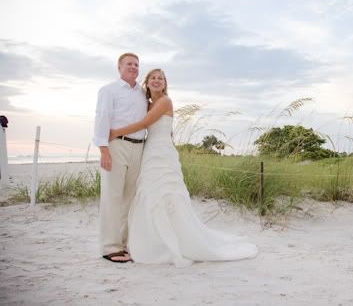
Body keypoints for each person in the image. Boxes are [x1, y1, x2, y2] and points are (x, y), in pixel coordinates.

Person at [109, 69, 258, 266]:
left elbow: (145, 123)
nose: (156, 81)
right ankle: (150, 240)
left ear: (164, 84)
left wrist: (115, 132)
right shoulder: (149, 103)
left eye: (160, 78)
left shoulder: (164, 101)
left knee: (166, 193)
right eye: (152, 78)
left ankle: (171, 241)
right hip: (150, 151)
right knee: (149, 193)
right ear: (146, 82)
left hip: (161, 151)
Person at [93, 53, 147, 263]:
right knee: (112, 196)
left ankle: (123, 244)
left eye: (136, 64)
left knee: (129, 199)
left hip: (139, 147)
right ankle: (110, 247)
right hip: (116, 146)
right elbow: (102, 118)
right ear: (119, 67)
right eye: (129, 64)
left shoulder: (142, 93)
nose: (133, 67)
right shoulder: (109, 90)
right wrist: (104, 150)